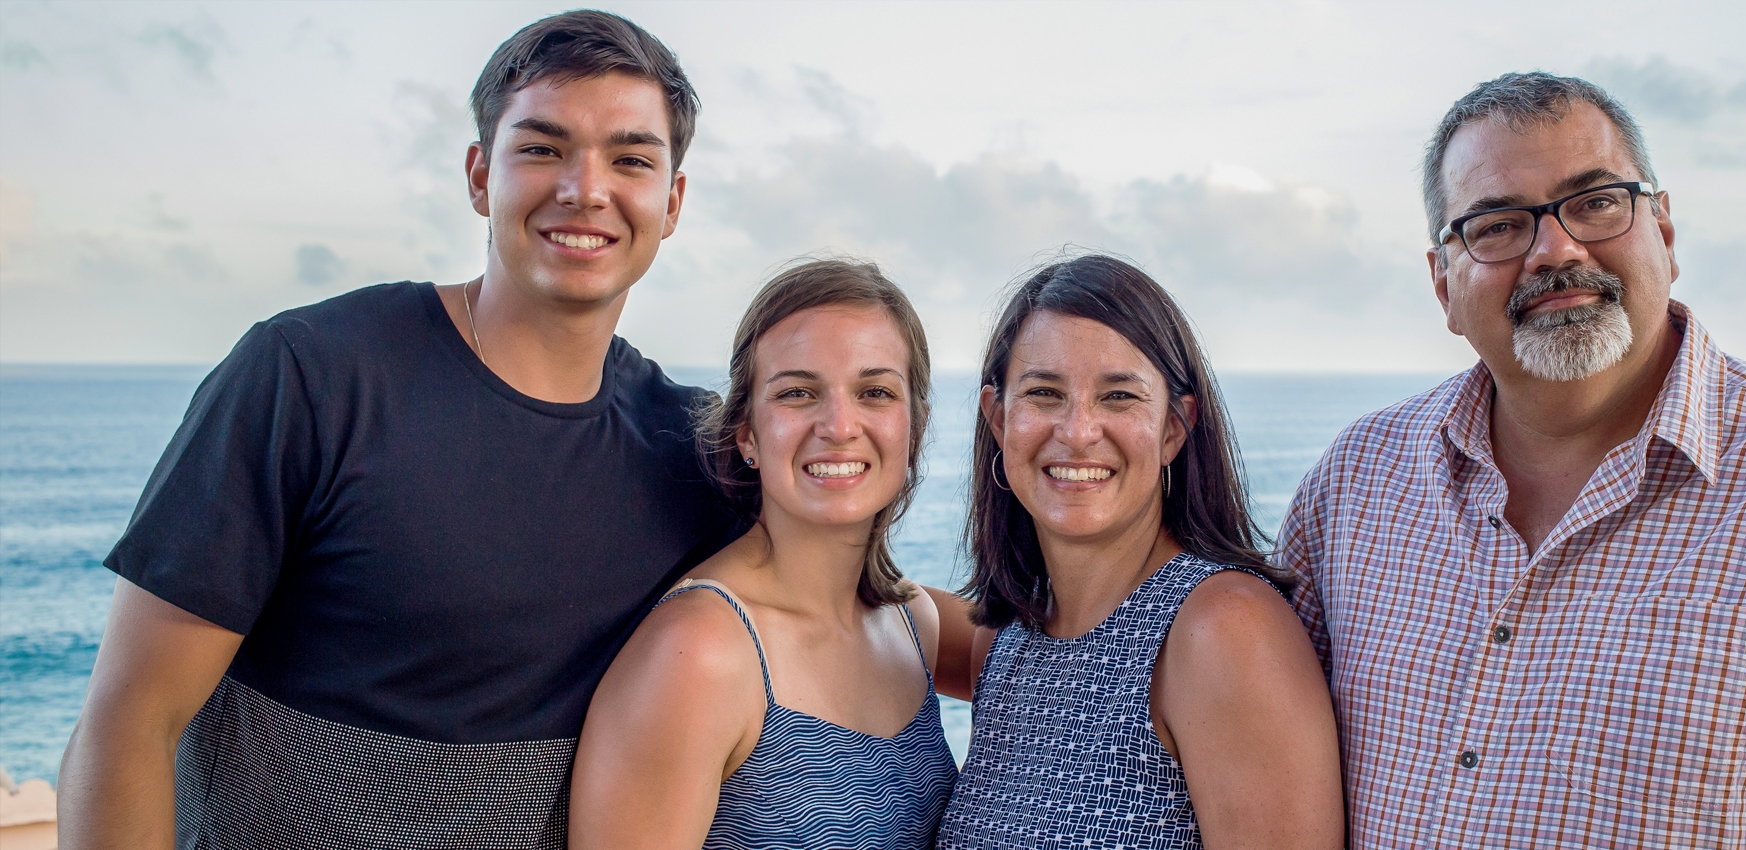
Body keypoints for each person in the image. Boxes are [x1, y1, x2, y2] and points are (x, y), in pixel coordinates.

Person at [57, 11, 739, 847]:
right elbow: (128, 724)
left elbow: (848, 602)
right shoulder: (309, 374)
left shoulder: (694, 450)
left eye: (630, 159)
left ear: (670, 203)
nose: (585, 189)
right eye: (541, 147)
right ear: (480, 176)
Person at [1279, 71, 1746, 848]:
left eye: (1595, 203)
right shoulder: (1357, 484)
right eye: (1496, 226)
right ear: (1443, 286)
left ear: (1663, 232)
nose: (1556, 248)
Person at [930, 255, 1343, 849]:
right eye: (1044, 393)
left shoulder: (1223, 629)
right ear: (998, 420)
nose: (1077, 431)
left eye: (1118, 396)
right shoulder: (1008, 638)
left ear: (1175, 427)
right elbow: (854, 617)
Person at [568, 260, 956, 849]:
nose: (839, 425)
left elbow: (1058, 662)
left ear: (915, 428)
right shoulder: (700, 655)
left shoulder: (911, 622)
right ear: (747, 432)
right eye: (798, 393)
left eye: (874, 392)